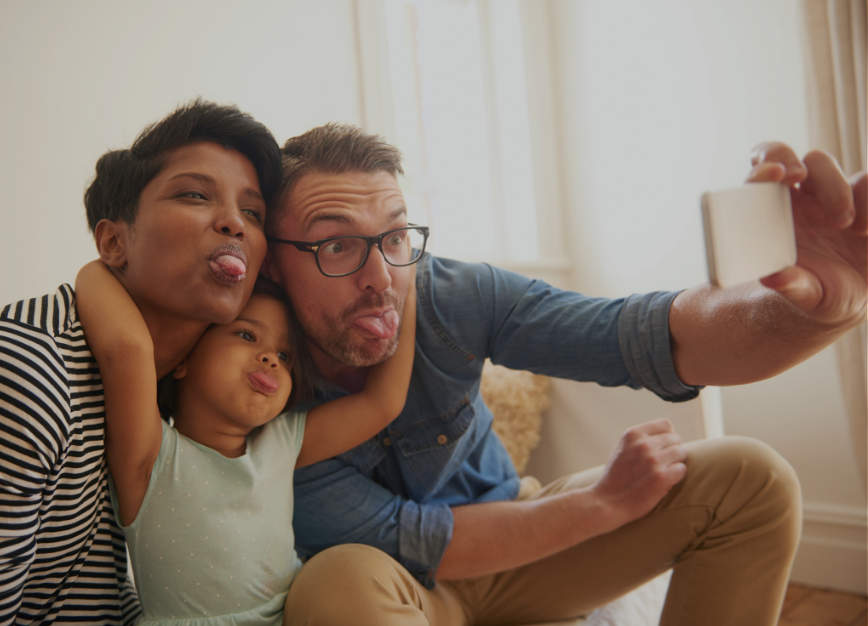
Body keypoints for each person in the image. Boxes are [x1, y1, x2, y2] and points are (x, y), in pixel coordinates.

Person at [259, 123, 867, 626]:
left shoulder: (449, 293)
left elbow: (646, 337)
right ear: (272, 263)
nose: (380, 277)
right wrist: (601, 503)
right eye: (336, 246)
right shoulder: (248, 380)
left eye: (394, 236)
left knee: (752, 479)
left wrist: (812, 309)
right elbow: (419, 540)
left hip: (526, 542)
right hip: (400, 588)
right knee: (335, 584)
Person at [0, 99, 282, 624]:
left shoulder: (168, 397)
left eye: (252, 212)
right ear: (113, 242)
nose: (234, 222)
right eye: (194, 194)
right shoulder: (19, 371)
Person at [72, 264, 416, 625]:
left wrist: (403, 284)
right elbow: (127, 347)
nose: (270, 359)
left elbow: (383, 402)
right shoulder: (150, 455)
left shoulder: (283, 443)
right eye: (247, 336)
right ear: (182, 359)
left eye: (285, 356)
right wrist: (102, 259)